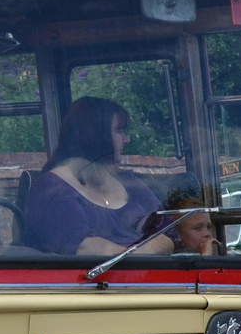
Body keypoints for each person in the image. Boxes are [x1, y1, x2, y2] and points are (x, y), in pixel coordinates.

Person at [24, 97, 162, 256]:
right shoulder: (51, 189)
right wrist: (144, 256)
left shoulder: (128, 181)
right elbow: (85, 247)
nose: (126, 139)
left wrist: (147, 254)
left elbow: (167, 229)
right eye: (119, 131)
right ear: (95, 135)